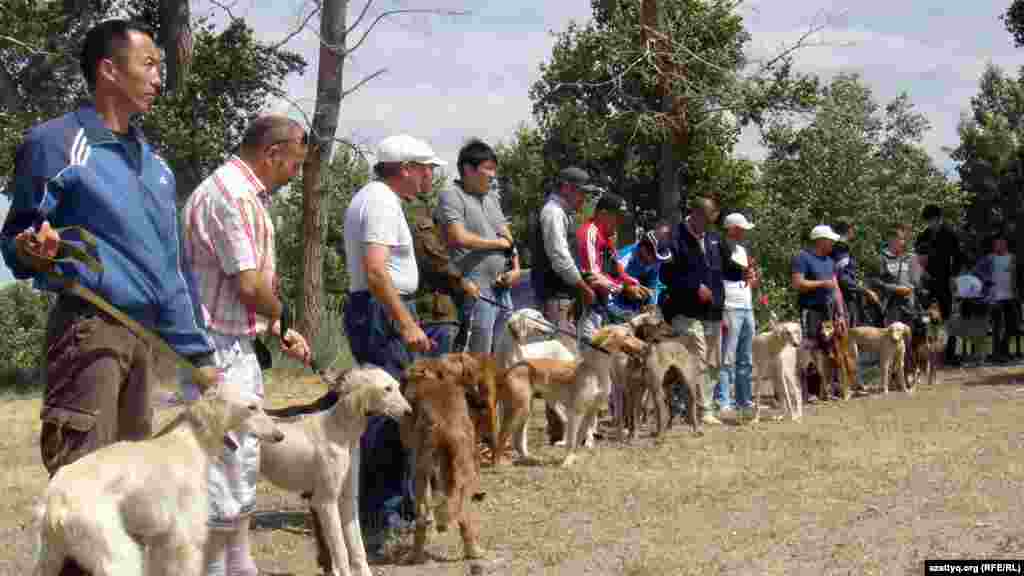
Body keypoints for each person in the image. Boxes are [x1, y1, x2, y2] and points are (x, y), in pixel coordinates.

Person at [0, 20, 221, 576]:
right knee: (83, 496)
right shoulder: (56, 143)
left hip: (145, 345)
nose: (159, 78)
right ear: (108, 70)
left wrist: (200, 356)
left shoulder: (157, 167)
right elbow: (18, 237)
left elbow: (171, 273)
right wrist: (34, 249)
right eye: (149, 65)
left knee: (132, 499)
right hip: (89, 332)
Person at [182, 116, 313, 576]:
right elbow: (250, 286)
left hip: (234, 340)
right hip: (216, 348)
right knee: (223, 461)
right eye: (295, 162)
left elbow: (249, 290)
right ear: (273, 152)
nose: (296, 173)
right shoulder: (232, 195)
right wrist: (282, 315)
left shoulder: (242, 194)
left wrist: (275, 326)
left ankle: (239, 565)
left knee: (240, 460)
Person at [342, 133, 442, 553]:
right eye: (425, 168)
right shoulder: (382, 202)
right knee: (389, 412)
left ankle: (387, 509)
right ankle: (382, 519)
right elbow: (377, 271)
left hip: (378, 309)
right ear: (405, 168)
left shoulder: (375, 198)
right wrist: (405, 322)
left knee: (385, 410)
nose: (429, 176)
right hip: (382, 311)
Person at [530, 166, 599, 443]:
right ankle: (563, 432)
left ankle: (567, 429)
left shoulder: (562, 213)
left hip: (563, 296)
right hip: (556, 297)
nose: (584, 199)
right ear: (567, 188)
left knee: (566, 362)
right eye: (582, 193)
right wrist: (582, 285)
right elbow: (559, 256)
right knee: (561, 365)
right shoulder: (553, 213)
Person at [436, 139, 520, 354]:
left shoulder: (491, 198)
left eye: (494, 169)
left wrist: (516, 268)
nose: (493, 175)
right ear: (468, 169)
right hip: (476, 290)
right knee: (477, 358)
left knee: (501, 354)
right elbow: (458, 236)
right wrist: (497, 243)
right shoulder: (451, 195)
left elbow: (508, 237)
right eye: (488, 168)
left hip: (502, 288)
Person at [659, 197, 725, 425]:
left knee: (711, 361)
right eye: (706, 220)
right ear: (695, 214)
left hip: (713, 311)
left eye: (712, 221)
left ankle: (697, 407)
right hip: (684, 311)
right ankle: (701, 409)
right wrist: (694, 287)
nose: (708, 225)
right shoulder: (673, 238)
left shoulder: (714, 237)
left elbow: (724, 268)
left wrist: (743, 273)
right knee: (698, 357)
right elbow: (666, 275)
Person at [409, 202, 480, 356]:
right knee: (440, 367)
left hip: (451, 311)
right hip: (437, 311)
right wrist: (463, 281)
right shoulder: (422, 219)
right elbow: (437, 260)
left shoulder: (442, 222)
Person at [576, 191, 640, 335]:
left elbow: (616, 270)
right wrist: (622, 288)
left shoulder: (607, 238)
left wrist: (633, 282)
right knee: (591, 347)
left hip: (601, 306)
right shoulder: (590, 232)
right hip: (586, 308)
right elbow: (593, 276)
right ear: (603, 214)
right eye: (618, 217)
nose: (620, 222)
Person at [717, 213, 759, 423]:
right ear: (732, 229)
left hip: (746, 305)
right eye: (742, 229)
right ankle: (724, 401)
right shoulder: (720, 248)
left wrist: (753, 279)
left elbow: (750, 277)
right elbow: (722, 272)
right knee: (727, 356)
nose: (744, 233)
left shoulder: (743, 250)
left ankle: (744, 399)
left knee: (746, 357)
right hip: (729, 306)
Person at [791, 225, 841, 401]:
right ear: (821, 241)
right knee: (810, 347)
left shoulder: (830, 261)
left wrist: (840, 313)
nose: (833, 243)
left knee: (827, 346)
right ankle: (811, 392)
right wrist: (822, 284)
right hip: (810, 311)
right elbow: (798, 283)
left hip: (827, 313)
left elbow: (835, 288)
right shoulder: (802, 258)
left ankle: (827, 389)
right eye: (830, 240)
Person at [915, 204, 964, 364]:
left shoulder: (950, 234)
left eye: (933, 220)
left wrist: (954, 276)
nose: (930, 224)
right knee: (926, 317)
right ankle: (927, 354)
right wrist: (921, 273)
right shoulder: (923, 235)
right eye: (928, 221)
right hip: (927, 281)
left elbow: (958, 257)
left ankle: (951, 354)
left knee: (949, 317)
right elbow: (917, 257)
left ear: (939, 219)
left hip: (946, 280)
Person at [973, 232, 1018, 363]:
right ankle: (996, 354)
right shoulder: (989, 258)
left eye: (1001, 243)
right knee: (997, 327)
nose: (999, 245)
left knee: (1012, 325)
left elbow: (1016, 275)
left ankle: (1003, 351)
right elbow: (976, 271)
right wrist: (986, 280)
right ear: (993, 245)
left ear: (1006, 244)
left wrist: (1016, 290)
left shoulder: (1012, 258)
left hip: (1010, 296)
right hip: (994, 297)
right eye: (996, 243)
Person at [611, 225, 672, 319]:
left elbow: (653, 285)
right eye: (653, 257)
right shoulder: (624, 258)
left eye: (657, 260)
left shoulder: (655, 262)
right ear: (644, 247)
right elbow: (608, 285)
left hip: (635, 310)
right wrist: (625, 288)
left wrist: (651, 304)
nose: (654, 262)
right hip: (614, 309)